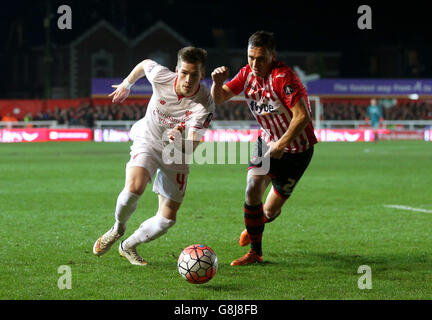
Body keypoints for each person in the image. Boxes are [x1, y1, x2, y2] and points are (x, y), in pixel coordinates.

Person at [93, 47, 215, 266]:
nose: (188, 79)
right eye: (184, 73)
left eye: (194, 74)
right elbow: (144, 63)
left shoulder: (204, 103)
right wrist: (126, 84)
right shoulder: (161, 76)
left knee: (167, 219)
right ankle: (118, 228)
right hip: (148, 140)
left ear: (202, 75)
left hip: (177, 152)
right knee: (134, 188)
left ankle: (128, 246)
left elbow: (193, 145)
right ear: (177, 70)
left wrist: (179, 140)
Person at [211, 31, 317, 266]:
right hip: (268, 143)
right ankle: (255, 252)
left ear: (273, 55)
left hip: (297, 152)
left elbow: (302, 116)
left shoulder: (284, 77)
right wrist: (217, 84)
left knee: (268, 212)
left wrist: (282, 144)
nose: (255, 64)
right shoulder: (246, 74)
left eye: (261, 58)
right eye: (251, 57)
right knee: (252, 188)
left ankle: (255, 224)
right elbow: (219, 99)